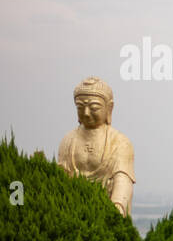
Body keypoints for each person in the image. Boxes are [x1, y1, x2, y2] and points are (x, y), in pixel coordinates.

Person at [56, 76, 135, 217]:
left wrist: (116, 208)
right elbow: (61, 178)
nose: (86, 113)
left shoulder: (120, 142)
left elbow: (123, 179)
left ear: (109, 108)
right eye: (80, 107)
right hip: (72, 212)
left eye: (94, 107)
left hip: (106, 210)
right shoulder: (68, 141)